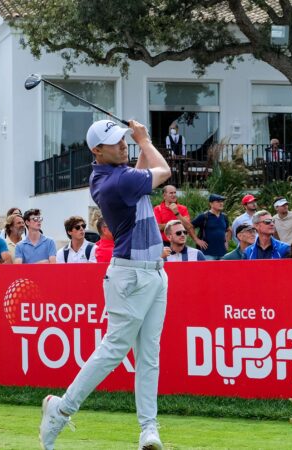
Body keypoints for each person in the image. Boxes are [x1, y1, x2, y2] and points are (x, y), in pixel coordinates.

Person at [39, 119, 171, 450]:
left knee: (149, 355)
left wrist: (139, 143)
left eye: (124, 139)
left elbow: (139, 174)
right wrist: (145, 140)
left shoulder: (113, 175)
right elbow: (164, 170)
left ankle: (148, 429)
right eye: (115, 142)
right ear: (97, 151)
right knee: (114, 349)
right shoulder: (115, 182)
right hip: (131, 275)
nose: (123, 144)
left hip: (155, 273)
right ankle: (60, 408)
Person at [191, 194, 231, 260]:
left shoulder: (224, 217)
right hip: (207, 254)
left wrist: (227, 241)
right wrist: (196, 240)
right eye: (218, 202)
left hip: (222, 253)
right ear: (211, 204)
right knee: (208, 270)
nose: (221, 203)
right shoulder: (204, 216)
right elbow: (190, 227)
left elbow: (229, 230)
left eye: (222, 201)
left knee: (222, 270)